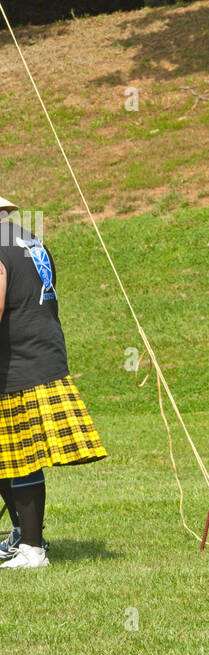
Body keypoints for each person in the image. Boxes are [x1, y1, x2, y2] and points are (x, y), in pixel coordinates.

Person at [0, 198, 106, 568]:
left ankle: (31, 548)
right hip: (41, 353)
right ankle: (22, 536)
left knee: (21, 457)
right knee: (8, 456)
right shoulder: (30, 240)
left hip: (18, 362)